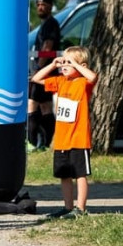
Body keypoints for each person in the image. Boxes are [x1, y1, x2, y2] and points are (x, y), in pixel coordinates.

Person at [32, 46, 97, 219]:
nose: (64, 65)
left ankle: (80, 208)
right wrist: (53, 65)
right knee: (64, 174)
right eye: (64, 61)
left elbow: (93, 76)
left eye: (69, 62)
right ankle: (68, 207)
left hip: (78, 138)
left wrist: (76, 63)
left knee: (80, 174)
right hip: (62, 139)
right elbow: (36, 78)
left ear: (80, 64)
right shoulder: (61, 81)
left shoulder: (83, 83)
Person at [28, 0, 61, 150]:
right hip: (45, 73)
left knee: (32, 104)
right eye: (38, 5)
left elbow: (47, 48)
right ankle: (47, 143)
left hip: (43, 73)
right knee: (46, 107)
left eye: (43, 4)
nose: (40, 7)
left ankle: (32, 142)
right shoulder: (45, 24)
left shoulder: (51, 24)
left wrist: (39, 71)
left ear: (50, 6)